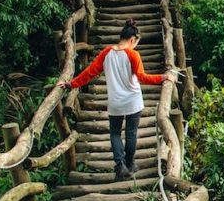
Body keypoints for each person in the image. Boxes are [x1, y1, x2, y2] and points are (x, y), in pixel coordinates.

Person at [58, 19, 177, 180]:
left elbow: (89, 73)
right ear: (132, 40)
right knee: (131, 134)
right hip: (133, 101)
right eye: (136, 43)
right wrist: (164, 77)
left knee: (115, 134)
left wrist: (70, 84)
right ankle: (130, 164)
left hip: (115, 103)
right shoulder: (133, 54)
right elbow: (143, 77)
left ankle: (120, 166)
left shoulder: (106, 53)